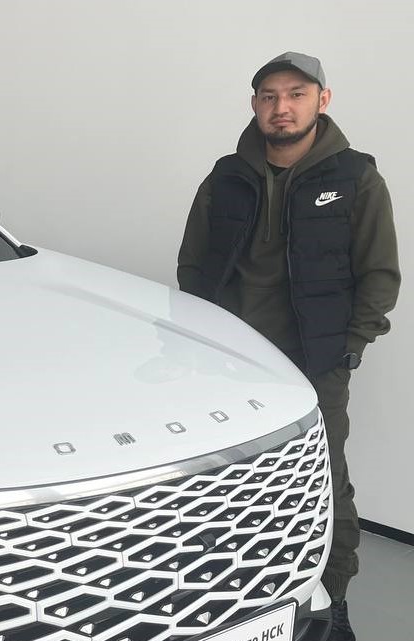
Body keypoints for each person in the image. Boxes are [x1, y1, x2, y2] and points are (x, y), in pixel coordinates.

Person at [178, 52, 399, 641]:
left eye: (297, 94)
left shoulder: (356, 178)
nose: (282, 107)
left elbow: (380, 273)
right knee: (228, 476)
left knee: (324, 481)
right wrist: (199, 340)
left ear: (322, 101)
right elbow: (193, 264)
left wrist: (349, 346)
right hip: (230, 360)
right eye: (270, 96)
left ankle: (333, 598)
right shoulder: (225, 176)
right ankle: (237, 593)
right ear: (255, 105)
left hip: (316, 361)